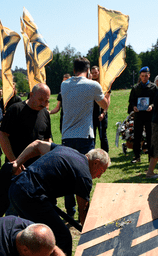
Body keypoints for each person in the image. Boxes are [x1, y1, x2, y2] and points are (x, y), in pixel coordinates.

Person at [8, 140, 109, 256]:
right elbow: (83, 214)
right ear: (96, 163)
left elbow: (38, 144)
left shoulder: (67, 150)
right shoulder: (84, 176)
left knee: (33, 238)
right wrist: (91, 235)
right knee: (62, 238)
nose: (99, 176)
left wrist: (18, 162)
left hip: (16, 187)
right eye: (101, 171)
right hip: (32, 196)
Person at [60, 57, 110, 217]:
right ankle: (85, 210)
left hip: (67, 136)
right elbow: (105, 105)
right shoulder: (93, 85)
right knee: (84, 175)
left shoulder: (64, 84)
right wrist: (107, 92)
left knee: (68, 176)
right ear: (88, 71)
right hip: (85, 136)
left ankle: (70, 211)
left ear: (73, 70)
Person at [0, 83, 52, 166]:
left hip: (38, 166)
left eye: (46, 101)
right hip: (17, 166)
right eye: (41, 99)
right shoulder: (15, 110)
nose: (43, 104)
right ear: (31, 95)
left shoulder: (45, 113)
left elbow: (47, 139)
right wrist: (15, 162)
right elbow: (3, 135)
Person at [127, 66, 157, 164]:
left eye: (146, 76)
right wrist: (134, 106)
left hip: (149, 115)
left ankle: (151, 157)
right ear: (140, 76)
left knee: (150, 136)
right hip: (139, 115)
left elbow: (156, 101)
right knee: (137, 136)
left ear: (149, 75)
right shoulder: (136, 88)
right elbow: (131, 101)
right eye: (142, 76)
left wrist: (152, 106)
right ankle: (137, 156)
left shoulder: (153, 87)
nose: (144, 78)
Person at [90, 66, 109, 152]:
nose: (94, 74)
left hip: (101, 114)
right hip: (91, 114)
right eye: (92, 73)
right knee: (91, 137)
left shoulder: (104, 84)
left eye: (95, 72)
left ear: (99, 72)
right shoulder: (89, 84)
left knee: (103, 136)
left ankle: (105, 155)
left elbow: (107, 101)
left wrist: (103, 113)